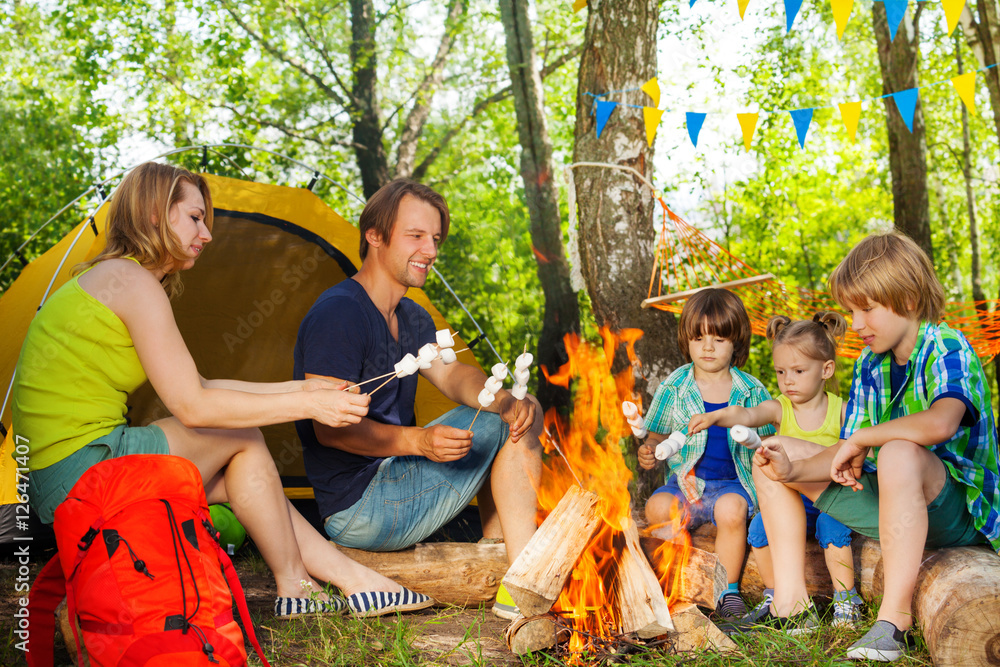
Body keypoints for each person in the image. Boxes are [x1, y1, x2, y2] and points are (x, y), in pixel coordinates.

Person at [12, 161, 432, 620]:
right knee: (242, 436)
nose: (207, 233)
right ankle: (301, 585)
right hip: (81, 468)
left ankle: (348, 581)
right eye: (195, 218)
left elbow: (202, 385)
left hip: (55, 475)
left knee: (241, 479)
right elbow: (193, 406)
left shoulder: (118, 278)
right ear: (155, 214)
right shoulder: (132, 282)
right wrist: (309, 401)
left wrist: (303, 388)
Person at [293, 178, 543, 620]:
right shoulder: (339, 313)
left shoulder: (414, 315)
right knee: (515, 420)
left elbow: (454, 374)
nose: (430, 250)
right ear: (374, 236)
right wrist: (420, 442)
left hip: (396, 481)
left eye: (435, 238)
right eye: (415, 236)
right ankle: (525, 585)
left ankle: (499, 553)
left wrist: (503, 400)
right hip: (358, 506)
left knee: (519, 409)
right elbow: (327, 430)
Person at [752, 232, 1000, 661]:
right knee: (773, 451)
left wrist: (865, 438)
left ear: (906, 299)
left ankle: (894, 621)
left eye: (867, 309)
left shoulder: (947, 346)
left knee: (899, 451)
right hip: (892, 503)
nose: (857, 324)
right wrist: (793, 472)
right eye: (852, 310)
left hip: (959, 509)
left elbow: (941, 422)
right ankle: (791, 604)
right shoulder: (871, 364)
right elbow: (845, 451)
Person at [689, 312, 864, 630]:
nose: (789, 380)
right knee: (758, 530)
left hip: (830, 497)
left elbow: (852, 455)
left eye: (798, 371)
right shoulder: (779, 408)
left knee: (831, 527)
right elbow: (747, 413)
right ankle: (776, 594)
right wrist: (716, 417)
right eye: (781, 372)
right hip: (791, 503)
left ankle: (846, 597)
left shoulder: (841, 410)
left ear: (826, 369)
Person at [636, 288, 774, 620]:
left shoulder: (752, 390)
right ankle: (683, 578)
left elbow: (767, 444)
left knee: (731, 512)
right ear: (687, 340)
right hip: (685, 483)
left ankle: (727, 591)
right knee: (656, 506)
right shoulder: (675, 386)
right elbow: (655, 435)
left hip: (732, 483)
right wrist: (650, 450)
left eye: (719, 339)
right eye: (699, 338)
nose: (708, 347)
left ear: (736, 342)